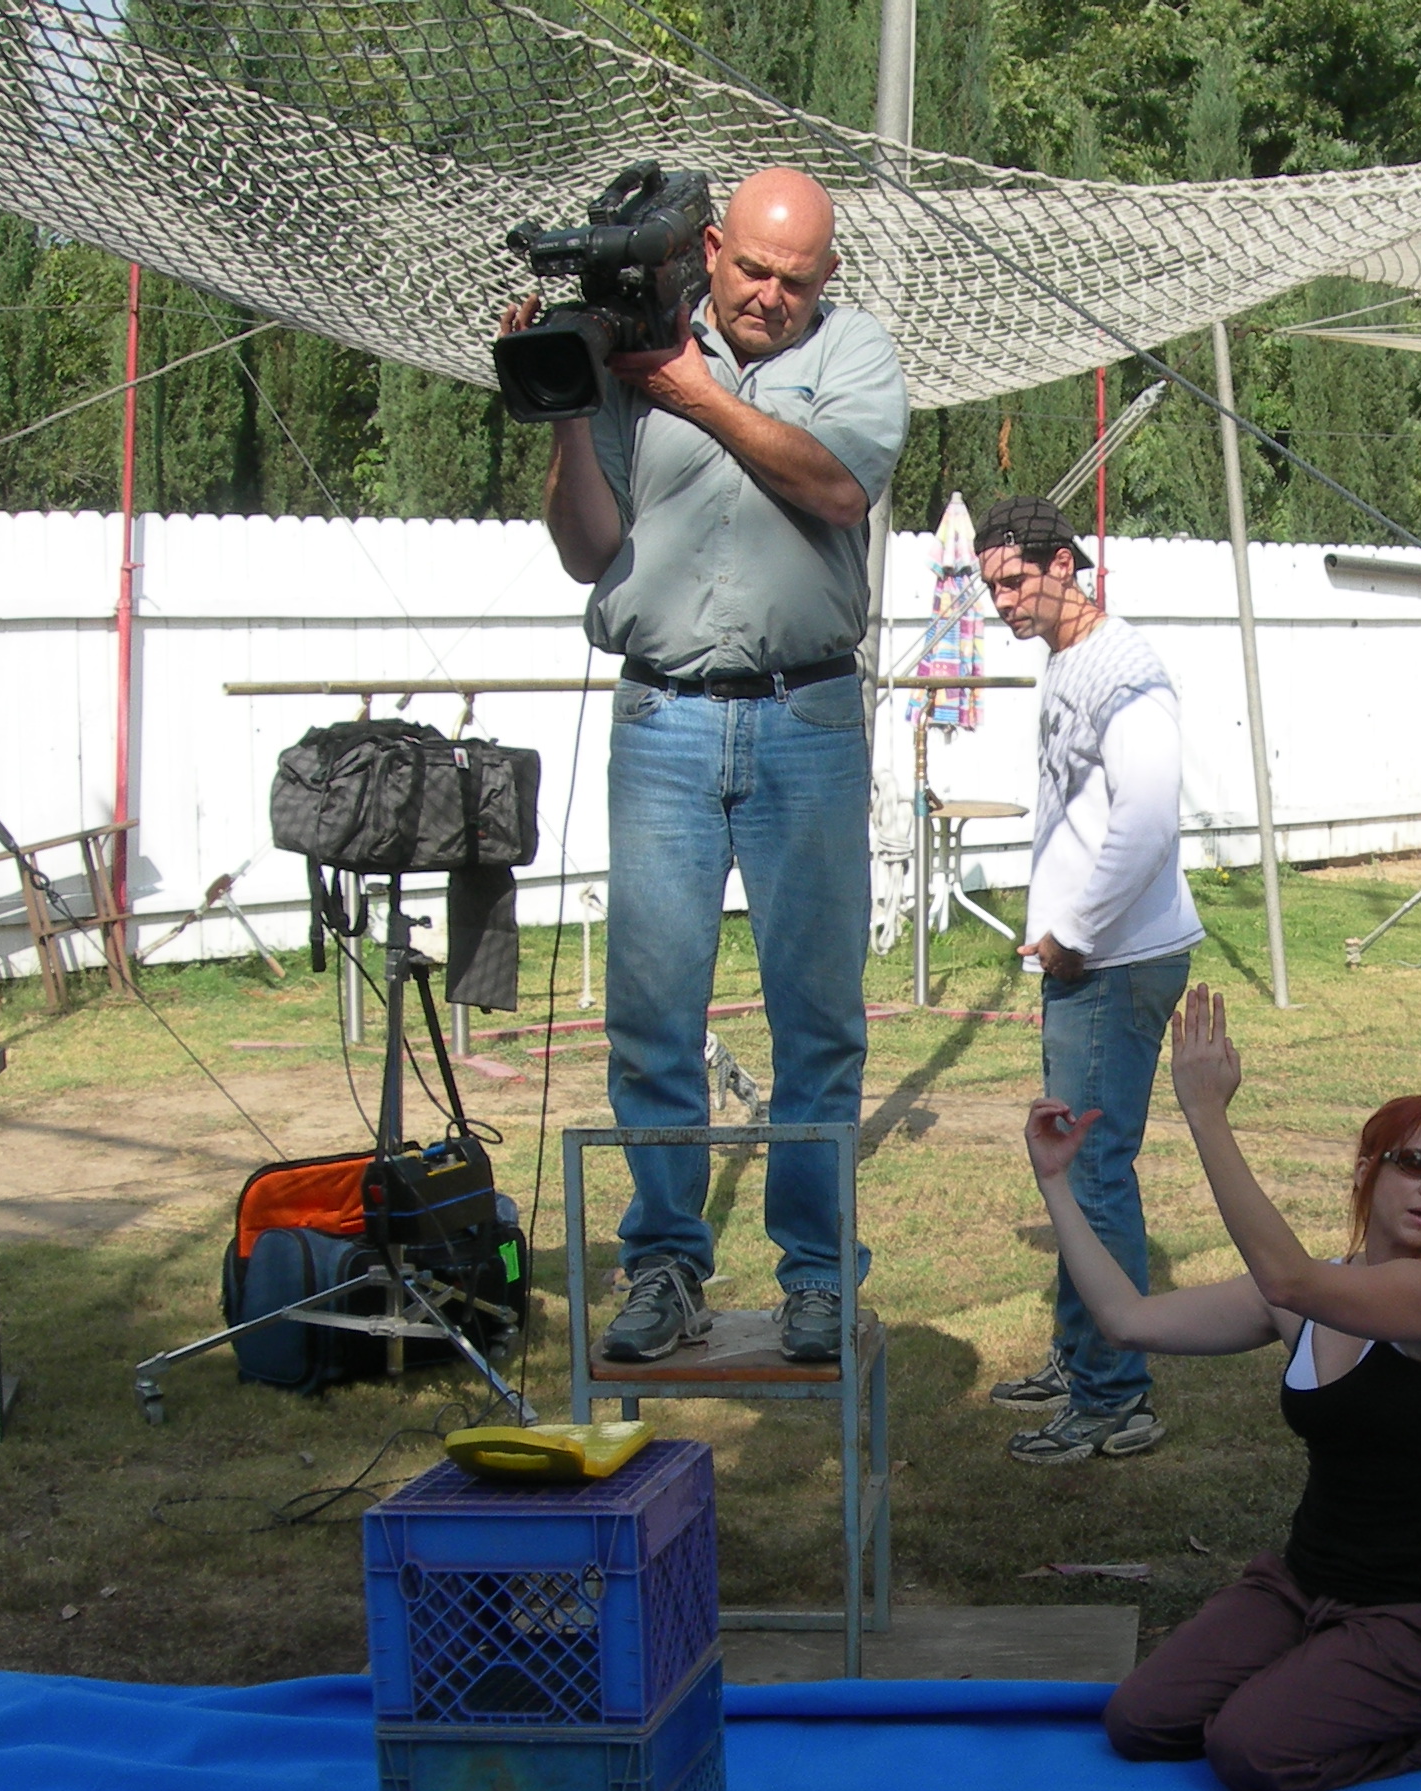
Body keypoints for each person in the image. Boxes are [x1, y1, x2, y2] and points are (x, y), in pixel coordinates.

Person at [506, 167, 911, 1368]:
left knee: (818, 1025)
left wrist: (692, 391)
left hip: (808, 716)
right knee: (651, 1016)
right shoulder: (635, 360)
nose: (771, 297)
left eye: (797, 279)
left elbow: (837, 487)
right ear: (712, 250)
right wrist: (576, 407)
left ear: (826, 277)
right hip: (665, 718)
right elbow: (589, 551)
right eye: (752, 271)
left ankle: (818, 1282)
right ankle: (666, 1268)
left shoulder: (856, 358)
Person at [1025, 987, 1421, 1791]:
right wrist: (1055, 1185)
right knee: (1139, 1722)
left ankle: (1414, 1719)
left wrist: (1206, 1113)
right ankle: (1322, 1675)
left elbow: (1286, 1275)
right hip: (1304, 1584)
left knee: (1249, 1750)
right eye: (1414, 1162)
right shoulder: (1309, 1300)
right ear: (1367, 1171)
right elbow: (1126, 1321)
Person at [970, 493, 1206, 1466]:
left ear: (1067, 563)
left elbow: (1149, 821)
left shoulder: (1125, 672)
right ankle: (1082, 1361)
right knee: (1072, 1166)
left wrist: (1075, 932)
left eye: (1017, 580)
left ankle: (1115, 1397)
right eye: (992, 588)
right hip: (1094, 960)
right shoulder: (1070, 662)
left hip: (1115, 962)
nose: (1004, 602)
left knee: (1094, 1173)